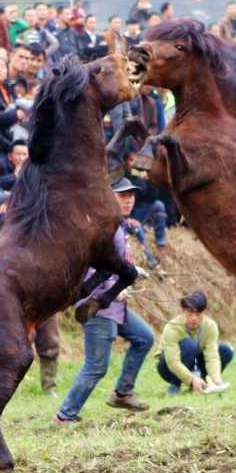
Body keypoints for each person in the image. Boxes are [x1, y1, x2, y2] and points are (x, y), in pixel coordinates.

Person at [53, 178, 155, 425]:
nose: (129, 200)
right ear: (109, 198)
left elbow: (114, 264)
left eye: (131, 195)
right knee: (96, 365)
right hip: (98, 305)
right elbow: (89, 269)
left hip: (114, 306)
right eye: (123, 196)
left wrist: (133, 271)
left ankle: (122, 394)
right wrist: (112, 290)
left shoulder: (118, 227)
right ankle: (65, 416)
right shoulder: (102, 229)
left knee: (144, 338)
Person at [156, 291, 234, 396]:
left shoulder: (210, 326)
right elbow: (172, 362)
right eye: (190, 313)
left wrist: (216, 377)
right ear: (183, 311)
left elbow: (212, 356)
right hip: (168, 367)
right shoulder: (172, 327)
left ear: (204, 312)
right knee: (189, 345)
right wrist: (191, 379)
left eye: (198, 314)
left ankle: (205, 383)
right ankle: (175, 386)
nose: (194, 318)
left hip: (196, 362)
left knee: (226, 350)